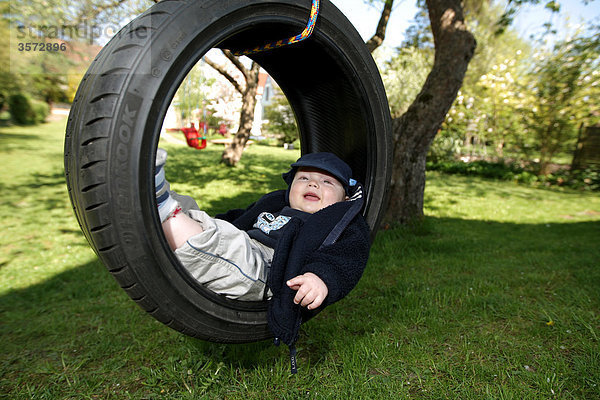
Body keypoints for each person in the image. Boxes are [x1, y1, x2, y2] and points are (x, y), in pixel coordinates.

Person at [155, 150, 371, 369]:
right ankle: (154, 195)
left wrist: (320, 277)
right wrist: (218, 222)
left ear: (344, 198)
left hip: (268, 267)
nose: (313, 184)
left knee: (219, 248)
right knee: (198, 218)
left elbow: (349, 256)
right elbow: (240, 217)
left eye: (327, 181)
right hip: (243, 241)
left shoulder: (338, 221)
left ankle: (164, 211)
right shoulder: (277, 205)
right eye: (304, 178)